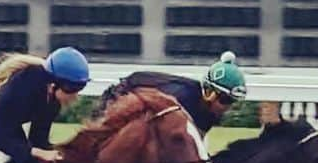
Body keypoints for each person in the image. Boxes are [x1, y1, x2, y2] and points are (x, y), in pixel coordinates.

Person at [95, 50, 248, 136]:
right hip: (118, 102)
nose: (227, 107)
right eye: (225, 100)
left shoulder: (209, 113)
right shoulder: (179, 100)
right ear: (210, 93)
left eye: (232, 102)